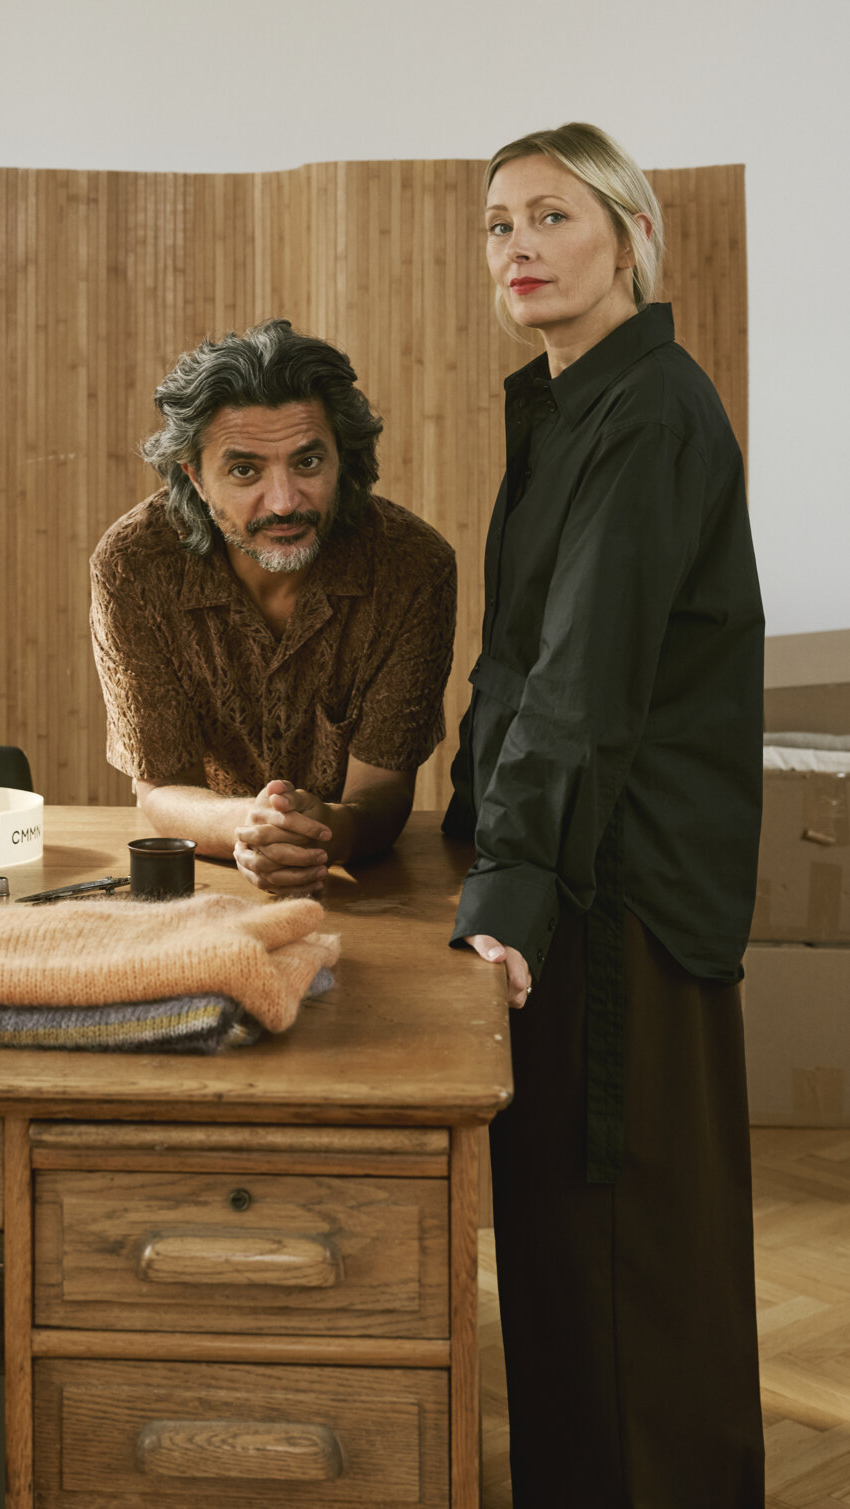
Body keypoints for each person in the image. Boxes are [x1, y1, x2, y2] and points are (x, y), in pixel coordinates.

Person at [445, 123, 765, 1506]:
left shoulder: (646, 408)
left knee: (623, 1269)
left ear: (627, 239)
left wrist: (508, 885)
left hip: (616, 896)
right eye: (501, 223)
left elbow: (583, 684)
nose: (520, 245)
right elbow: (519, 666)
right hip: (582, 875)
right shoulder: (574, 403)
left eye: (554, 217)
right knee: (579, 1270)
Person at [90, 318, 456, 893]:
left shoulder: (413, 566)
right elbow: (159, 789)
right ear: (196, 476)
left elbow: (382, 793)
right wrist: (254, 825)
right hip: (207, 882)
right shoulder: (134, 564)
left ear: (343, 459)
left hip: (357, 882)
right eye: (244, 470)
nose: (284, 502)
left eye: (308, 463)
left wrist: (329, 827)